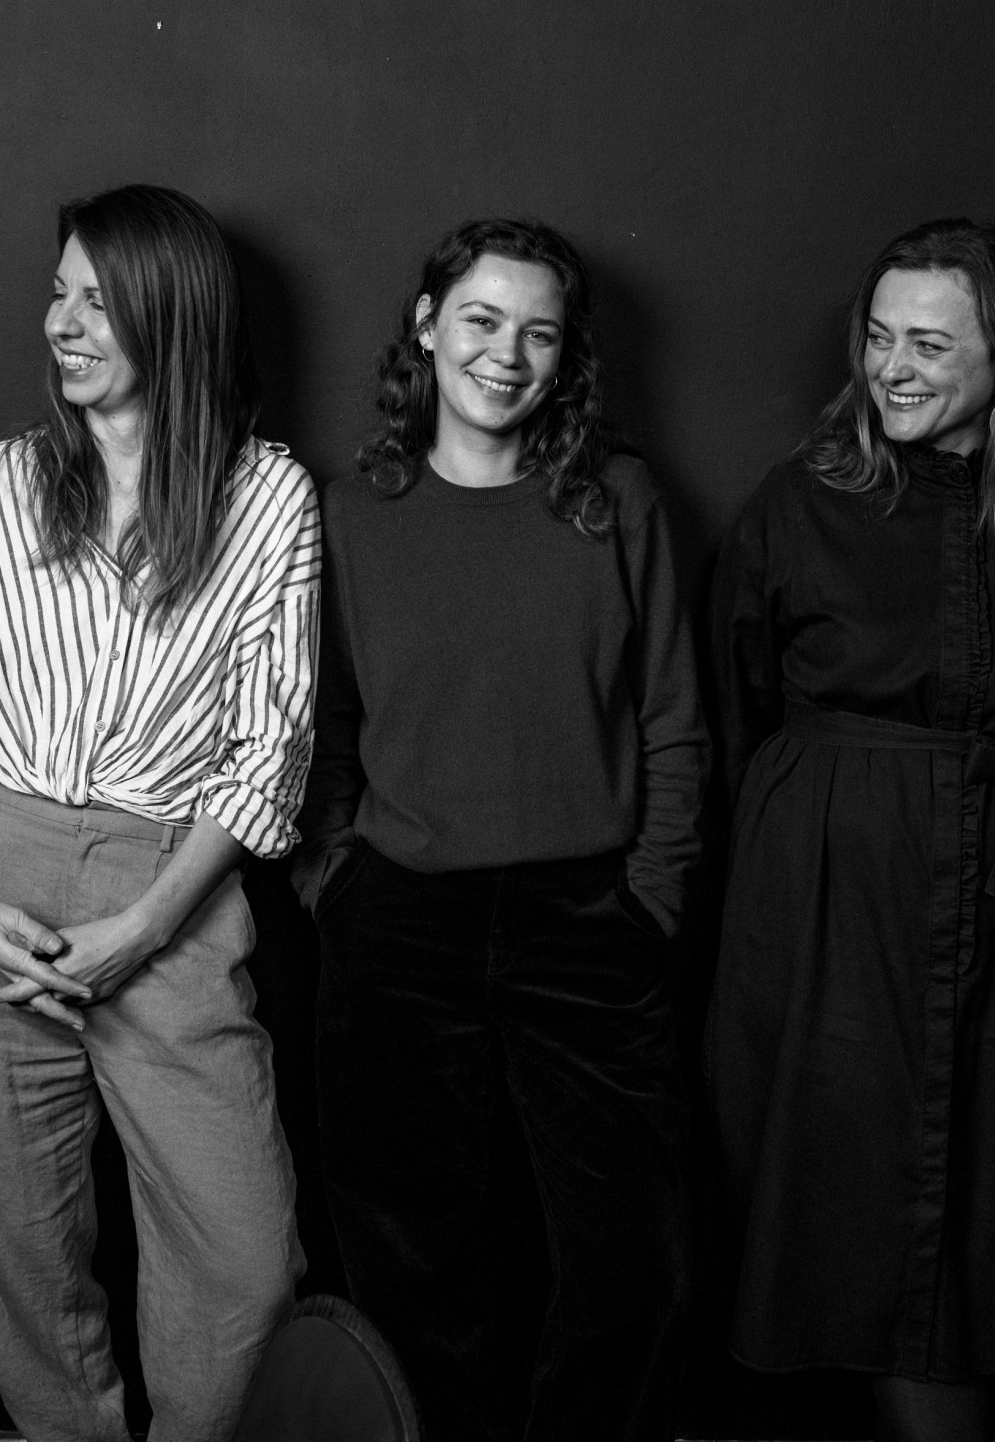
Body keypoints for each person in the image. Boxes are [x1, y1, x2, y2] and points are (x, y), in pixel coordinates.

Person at [0, 185, 315, 1442]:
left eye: (94, 300)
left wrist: (143, 927)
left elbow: (267, 750)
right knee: (21, 1254)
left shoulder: (267, 498)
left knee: (247, 1263)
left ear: (171, 315)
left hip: (168, 890)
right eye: (57, 293)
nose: (59, 324)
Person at [707, 220, 995, 1442]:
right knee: (839, 1201)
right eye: (879, 336)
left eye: (930, 345)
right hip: (830, 907)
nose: (891, 367)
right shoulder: (796, 502)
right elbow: (734, 707)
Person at [294, 217, 705, 1442]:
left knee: (630, 1253)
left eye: (540, 332)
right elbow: (325, 723)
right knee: (413, 1250)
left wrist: (652, 894)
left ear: (568, 354)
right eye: (481, 319)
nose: (506, 355)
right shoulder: (353, 509)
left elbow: (674, 716)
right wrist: (333, 879)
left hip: (588, 914)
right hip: (400, 915)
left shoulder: (617, 499)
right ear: (427, 325)